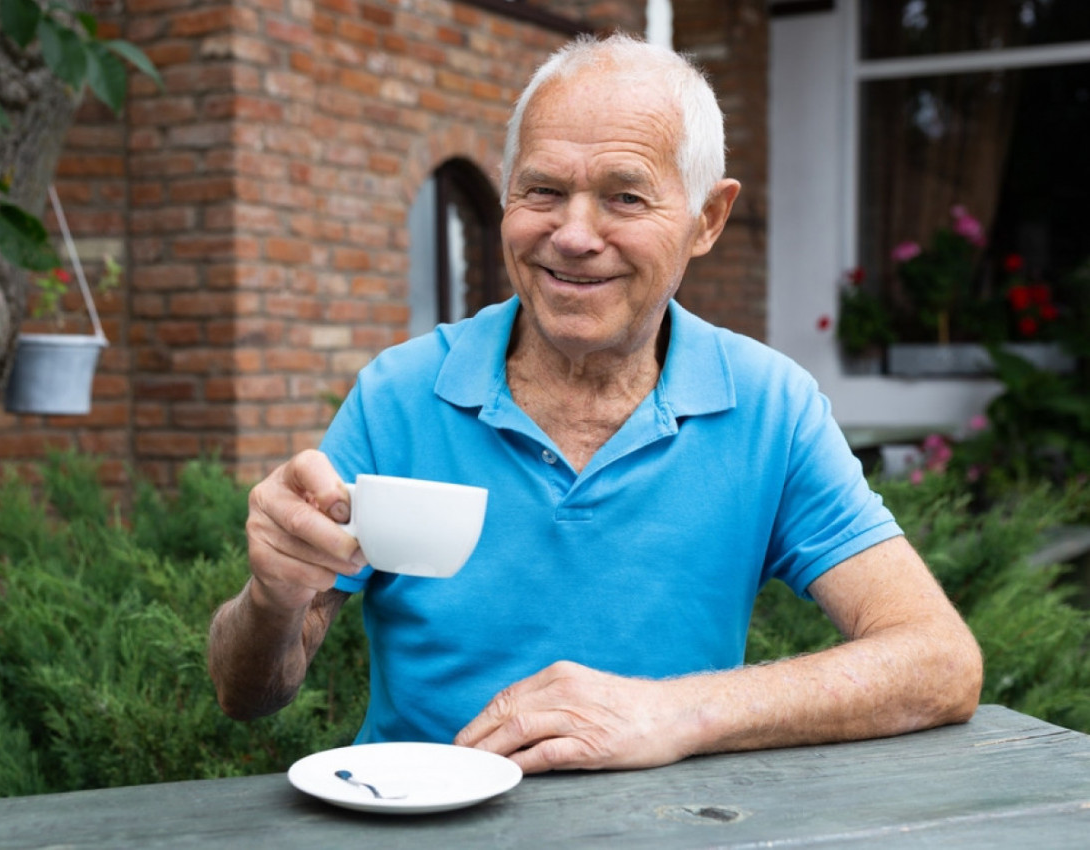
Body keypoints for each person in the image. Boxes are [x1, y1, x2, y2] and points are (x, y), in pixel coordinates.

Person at [208, 33, 982, 774]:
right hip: (417, 825)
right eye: (542, 190)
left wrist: (673, 714)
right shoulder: (399, 394)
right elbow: (248, 696)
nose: (573, 235)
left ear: (705, 220)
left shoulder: (770, 408)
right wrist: (273, 599)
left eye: (623, 197)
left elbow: (937, 661)